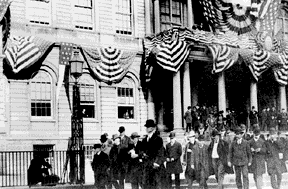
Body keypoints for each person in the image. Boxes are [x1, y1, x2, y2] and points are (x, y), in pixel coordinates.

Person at [141, 119, 165, 189]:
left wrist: (157, 163)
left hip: (155, 166)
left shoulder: (158, 139)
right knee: (146, 185)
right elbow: (141, 150)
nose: (147, 128)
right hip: (146, 166)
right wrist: (142, 154)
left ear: (153, 128)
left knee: (156, 185)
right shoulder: (144, 140)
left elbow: (160, 152)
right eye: (147, 127)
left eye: (149, 127)